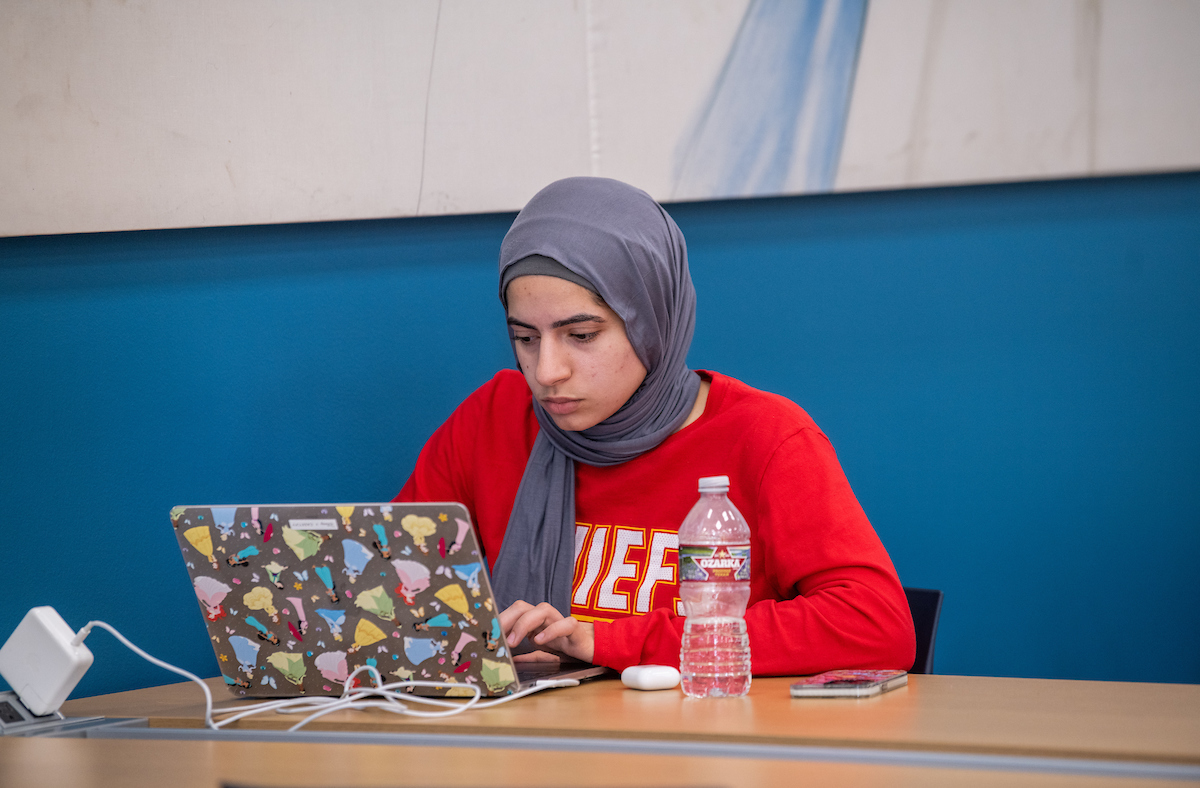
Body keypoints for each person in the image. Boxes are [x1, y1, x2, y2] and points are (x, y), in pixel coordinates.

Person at [394, 177, 915, 675]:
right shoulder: (492, 420)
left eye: (581, 335)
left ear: (651, 322)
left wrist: (609, 643)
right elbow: (388, 600)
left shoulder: (764, 437)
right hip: (520, 752)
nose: (547, 372)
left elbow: (875, 626)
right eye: (525, 338)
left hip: (704, 752)